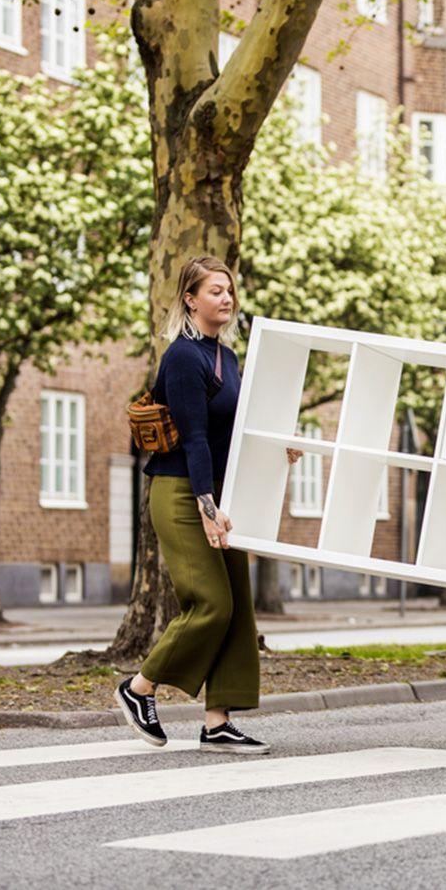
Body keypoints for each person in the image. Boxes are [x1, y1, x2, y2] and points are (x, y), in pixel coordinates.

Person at [115, 256, 296, 754]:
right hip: (182, 494)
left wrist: (279, 449)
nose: (227, 297)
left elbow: (233, 432)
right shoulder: (182, 358)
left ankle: (218, 720)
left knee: (237, 606)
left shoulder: (228, 358)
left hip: (222, 493)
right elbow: (193, 438)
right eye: (216, 290)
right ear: (191, 299)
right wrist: (205, 506)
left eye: (230, 290)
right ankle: (139, 689)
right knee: (210, 603)